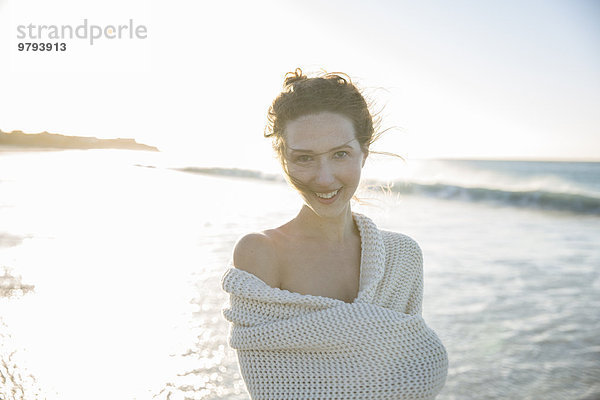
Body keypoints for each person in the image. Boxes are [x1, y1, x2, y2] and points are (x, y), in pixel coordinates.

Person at [221, 68, 448, 399]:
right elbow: (271, 389)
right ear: (282, 160)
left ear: (363, 154)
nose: (324, 179)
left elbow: (408, 372)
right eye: (304, 158)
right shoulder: (261, 252)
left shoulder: (403, 257)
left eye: (340, 154)